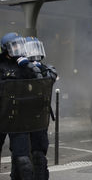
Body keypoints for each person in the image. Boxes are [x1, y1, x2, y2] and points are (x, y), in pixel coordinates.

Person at [0, 32, 36, 180]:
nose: (18, 48)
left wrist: (30, 67)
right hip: (1, 115)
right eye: (14, 45)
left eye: (19, 45)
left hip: (18, 118)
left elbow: (37, 85)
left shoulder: (24, 65)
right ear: (5, 49)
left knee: (23, 160)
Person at [24, 36, 57, 180]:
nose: (34, 54)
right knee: (21, 156)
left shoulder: (46, 69)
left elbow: (50, 77)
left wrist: (35, 68)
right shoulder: (19, 69)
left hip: (39, 117)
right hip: (22, 118)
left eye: (37, 49)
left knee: (38, 154)